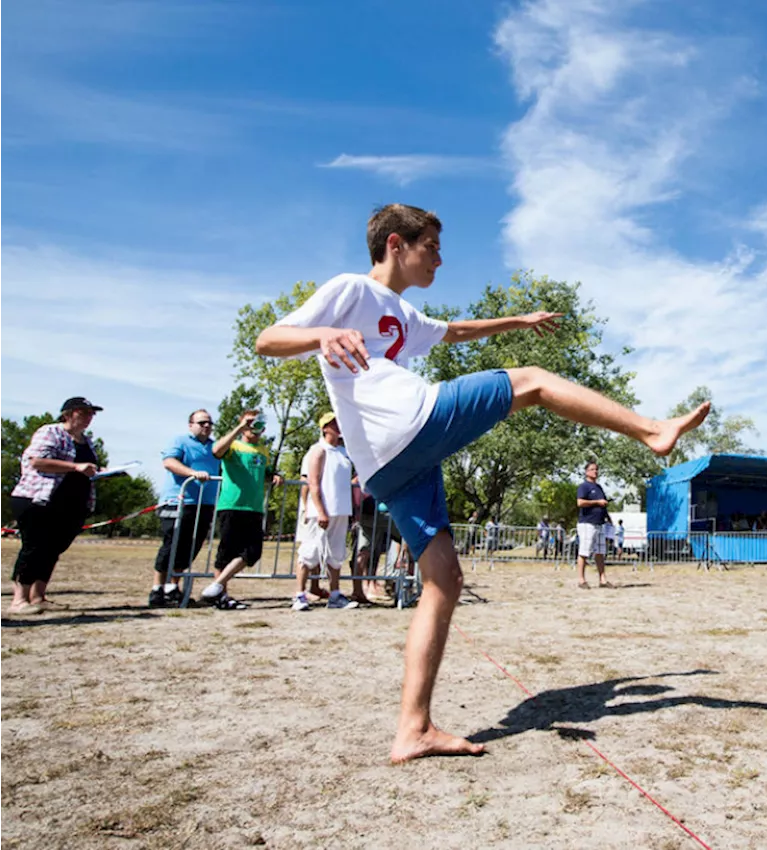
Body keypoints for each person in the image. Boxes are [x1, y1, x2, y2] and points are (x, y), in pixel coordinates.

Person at [254, 203, 708, 761]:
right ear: (396, 244)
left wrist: (518, 322)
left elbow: (455, 332)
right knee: (534, 382)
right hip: (407, 423)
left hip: (388, 466)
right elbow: (268, 338)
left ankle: (412, 729)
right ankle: (653, 431)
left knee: (443, 579)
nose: (440, 260)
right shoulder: (352, 288)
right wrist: (323, 333)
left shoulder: (402, 315)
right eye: (432, 248)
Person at [8, 398, 102, 615]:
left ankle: (38, 596)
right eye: (84, 412)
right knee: (33, 548)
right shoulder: (50, 432)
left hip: (71, 505)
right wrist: (75, 467)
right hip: (38, 499)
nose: (89, 417)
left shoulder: (86, 441)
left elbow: (83, 469)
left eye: (91, 414)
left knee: (52, 550)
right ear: (68, 414)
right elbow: (37, 461)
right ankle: (19, 599)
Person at [199, 410, 282, 609]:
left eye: (259, 423)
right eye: (251, 423)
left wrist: (275, 475)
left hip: (254, 507)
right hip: (232, 505)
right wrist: (239, 428)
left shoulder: (263, 450)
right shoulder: (234, 445)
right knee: (225, 553)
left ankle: (216, 587)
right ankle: (221, 597)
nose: (255, 428)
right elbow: (216, 451)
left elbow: (266, 472)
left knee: (253, 552)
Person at [149, 409, 221, 608]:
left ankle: (174, 587)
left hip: (204, 504)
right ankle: (157, 588)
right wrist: (192, 473)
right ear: (191, 425)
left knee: (191, 546)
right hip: (178, 500)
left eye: (209, 423)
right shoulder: (180, 441)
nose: (206, 426)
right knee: (172, 543)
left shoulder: (215, 447)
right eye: (202, 422)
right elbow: (169, 462)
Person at [293, 413, 359, 611]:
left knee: (336, 553)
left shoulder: (344, 452)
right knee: (309, 552)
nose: (338, 426)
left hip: (340, 510)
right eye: (333, 423)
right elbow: (312, 483)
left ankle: (335, 594)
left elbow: (344, 482)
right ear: (324, 428)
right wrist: (320, 510)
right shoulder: (318, 450)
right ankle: (299, 595)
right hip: (320, 511)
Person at [576, 461, 612, 590]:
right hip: (587, 523)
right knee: (584, 551)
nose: (595, 472)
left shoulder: (599, 487)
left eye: (596, 469)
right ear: (586, 472)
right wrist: (597, 502)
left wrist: (608, 519)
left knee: (600, 552)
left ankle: (602, 580)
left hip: (600, 523)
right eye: (592, 469)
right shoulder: (583, 487)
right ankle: (581, 580)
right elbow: (580, 502)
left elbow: (604, 504)